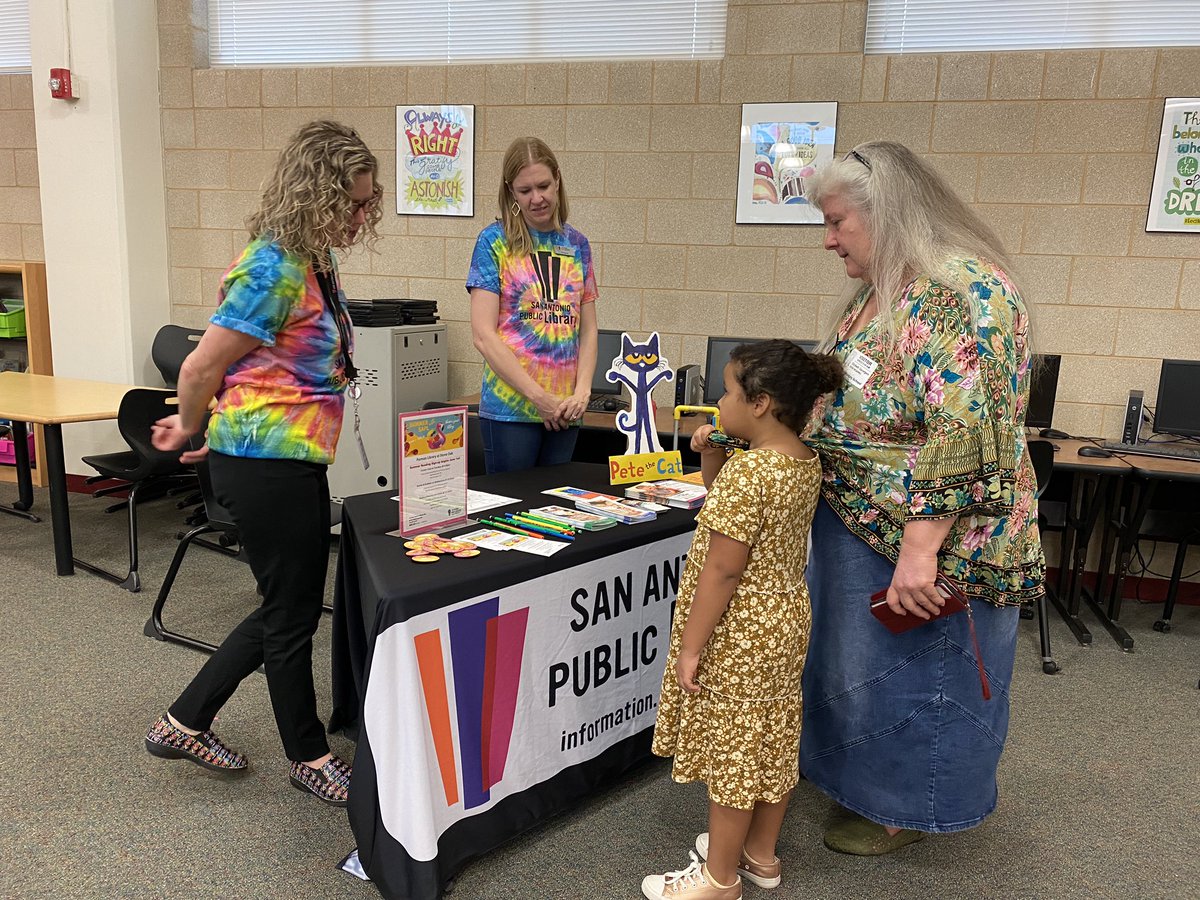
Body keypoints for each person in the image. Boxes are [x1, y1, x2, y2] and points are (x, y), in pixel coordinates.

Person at [799, 141, 1046, 855]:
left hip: (929, 536)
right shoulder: (886, 287)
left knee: (921, 677)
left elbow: (966, 425)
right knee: (863, 671)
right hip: (864, 524)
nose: (829, 237)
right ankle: (864, 788)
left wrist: (920, 551)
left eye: (839, 221)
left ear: (887, 213)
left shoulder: (959, 292)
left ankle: (906, 807)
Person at [144, 120, 382, 807]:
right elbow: (200, 364)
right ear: (316, 193)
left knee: (288, 605)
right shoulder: (271, 267)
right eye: (355, 203)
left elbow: (256, 367)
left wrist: (209, 422)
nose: (363, 217)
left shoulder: (313, 261)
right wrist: (194, 424)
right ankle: (308, 754)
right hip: (264, 461)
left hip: (286, 456)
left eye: (368, 203)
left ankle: (183, 721)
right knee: (292, 614)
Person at [643, 340, 843, 900]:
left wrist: (690, 647)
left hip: (740, 627)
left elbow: (723, 571)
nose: (718, 402)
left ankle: (718, 879)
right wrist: (713, 454)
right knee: (771, 737)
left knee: (734, 749)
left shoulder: (750, 474)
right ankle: (760, 856)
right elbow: (724, 499)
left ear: (761, 403)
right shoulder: (803, 460)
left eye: (728, 391)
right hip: (784, 618)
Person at [467, 136, 599, 474]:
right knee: (512, 516)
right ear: (511, 191)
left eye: (543, 186)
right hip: (513, 410)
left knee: (557, 513)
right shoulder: (494, 242)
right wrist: (539, 399)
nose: (537, 198)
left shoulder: (577, 244)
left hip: (566, 410)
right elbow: (483, 336)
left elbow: (588, 330)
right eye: (525, 190)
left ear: (557, 179)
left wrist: (582, 392)